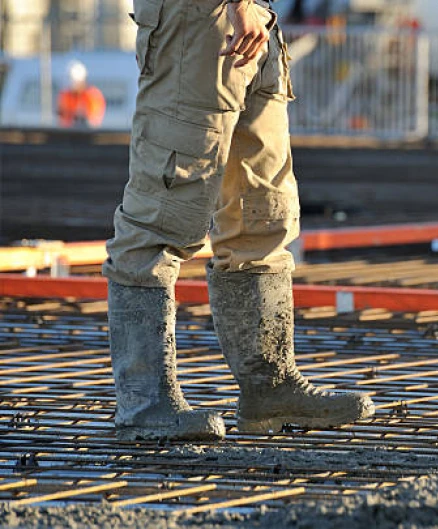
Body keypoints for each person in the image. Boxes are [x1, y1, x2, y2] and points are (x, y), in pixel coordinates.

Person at [103, 0, 374, 441]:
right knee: (162, 213)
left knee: (260, 214)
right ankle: (145, 403)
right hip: (202, 19)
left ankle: (270, 388)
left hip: (253, 22)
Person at [57, 61, 106, 128]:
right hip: (68, 131)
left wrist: (81, 116)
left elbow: (94, 119)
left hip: (88, 131)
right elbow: (62, 117)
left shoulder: (92, 95)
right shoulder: (66, 95)